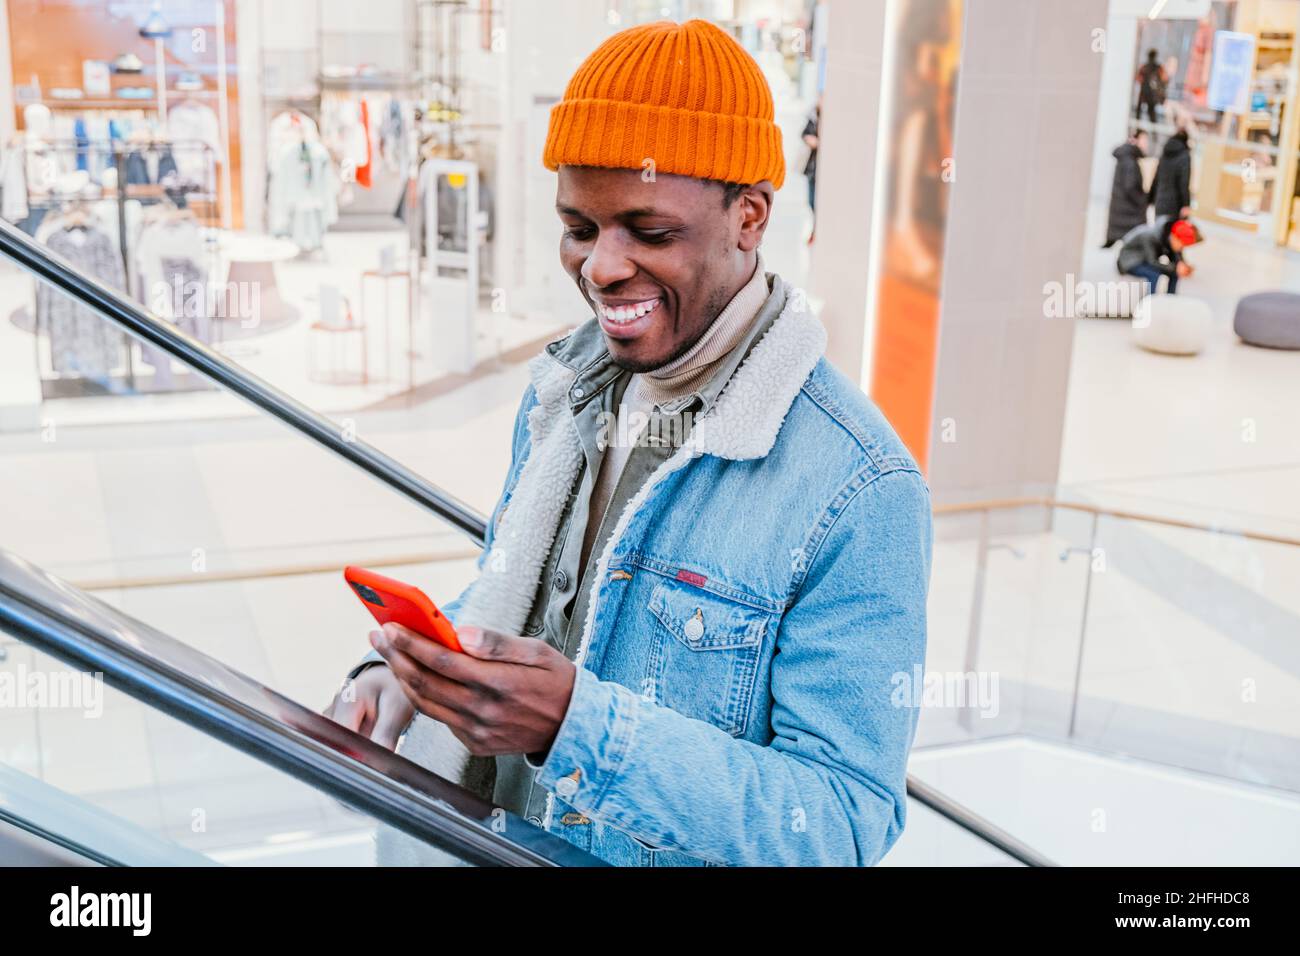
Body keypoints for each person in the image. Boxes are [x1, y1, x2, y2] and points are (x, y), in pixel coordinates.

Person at [325, 18, 932, 867]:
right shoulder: (564, 392)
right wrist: (407, 681)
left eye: (648, 232)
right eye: (580, 226)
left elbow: (839, 822)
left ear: (749, 217)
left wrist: (579, 730)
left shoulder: (858, 487)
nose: (601, 267)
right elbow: (522, 613)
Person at [1117, 215, 1201, 294]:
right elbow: (1152, 261)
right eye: (1181, 245)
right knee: (1154, 274)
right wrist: (1175, 268)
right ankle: (1149, 303)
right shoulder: (1149, 236)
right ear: (1175, 237)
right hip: (1129, 261)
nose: (1181, 248)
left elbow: (1174, 257)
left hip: (1144, 259)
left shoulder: (1167, 237)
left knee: (1174, 273)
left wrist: (1181, 265)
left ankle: (1170, 301)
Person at [1104, 130, 1150, 247]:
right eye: (1144, 141)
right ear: (1135, 140)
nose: (1146, 145)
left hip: (1122, 207)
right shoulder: (1130, 161)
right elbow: (1130, 187)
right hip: (1129, 210)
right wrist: (1142, 201)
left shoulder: (1126, 157)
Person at [1151, 128, 1192, 219]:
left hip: (1160, 200)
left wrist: (1150, 198)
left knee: (1159, 230)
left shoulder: (1164, 153)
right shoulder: (1185, 156)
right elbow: (1184, 183)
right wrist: (1186, 204)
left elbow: (1156, 177)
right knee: (1172, 231)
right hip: (1174, 204)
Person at [802, 99, 820, 243]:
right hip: (813, 168)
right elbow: (805, 134)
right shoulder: (814, 116)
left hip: (822, 169)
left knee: (818, 202)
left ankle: (817, 230)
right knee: (811, 201)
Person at [1135, 48, 1166, 125]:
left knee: (1148, 112)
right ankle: (1140, 128)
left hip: (1148, 93)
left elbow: (1138, 78)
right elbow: (1164, 80)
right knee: (1147, 112)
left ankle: (1143, 128)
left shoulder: (1148, 67)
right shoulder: (1156, 68)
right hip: (1148, 93)